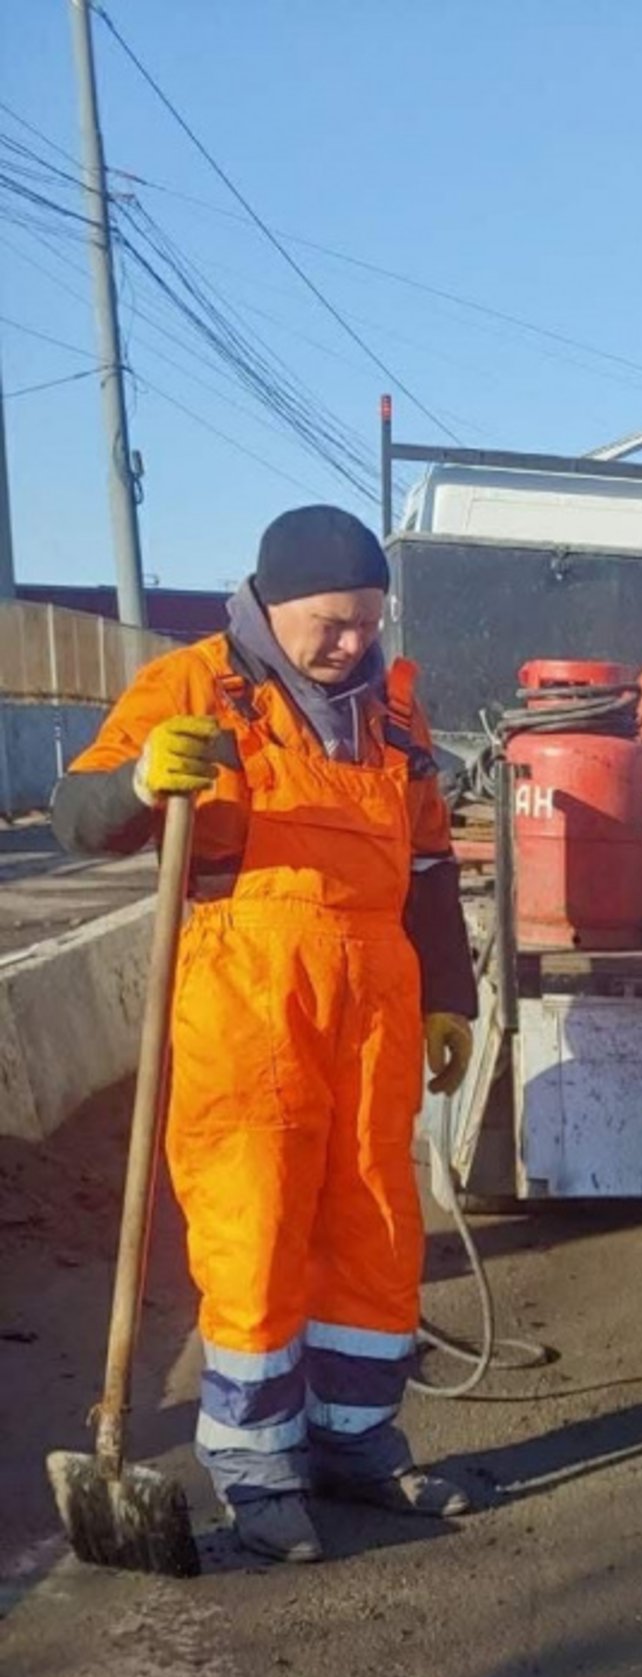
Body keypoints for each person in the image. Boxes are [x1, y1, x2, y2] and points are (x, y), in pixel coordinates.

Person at [51, 506, 478, 1564]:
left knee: (376, 1217)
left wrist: (449, 996)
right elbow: (77, 814)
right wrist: (147, 778)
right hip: (248, 985)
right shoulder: (194, 684)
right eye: (332, 624)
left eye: (367, 624)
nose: (351, 644)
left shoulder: (396, 716)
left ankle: (355, 1441)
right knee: (256, 1220)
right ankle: (257, 1469)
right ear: (272, 603)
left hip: (374, 989)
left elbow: (428, 866)